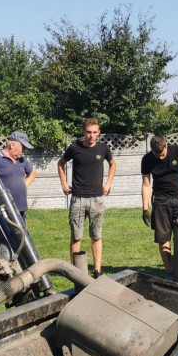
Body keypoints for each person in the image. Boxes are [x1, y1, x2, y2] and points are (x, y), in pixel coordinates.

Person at [57, 118, 116, 278]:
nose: (91, 135)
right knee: (76, 237)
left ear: (98, 133)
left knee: (96, 236)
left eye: (94, 132)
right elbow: (60, 163)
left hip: (97, 199)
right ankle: (75, 272)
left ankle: (97, 270)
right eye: (88, 132)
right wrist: (64, 182)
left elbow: (113, 164)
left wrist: (108, 183)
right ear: (83, 132)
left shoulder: (103, 149)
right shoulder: (74, 148)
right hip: (78, 199)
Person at [141, 135, 178, 280]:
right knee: (163, 238)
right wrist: (145, 209)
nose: (160, 157)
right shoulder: (147, 159)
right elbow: (146, 184)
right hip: (160, 201)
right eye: (156, 155)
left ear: (166, 146)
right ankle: (170, 271)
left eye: (162, 154)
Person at [0, 130, 37, 221]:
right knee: (4, 235)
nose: (24, 152)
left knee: (21, 234)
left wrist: (23, 186)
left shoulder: (22, 160)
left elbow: (33, 173)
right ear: (12, 145)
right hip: (2, 210)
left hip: (20, 209)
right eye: (23, 148)